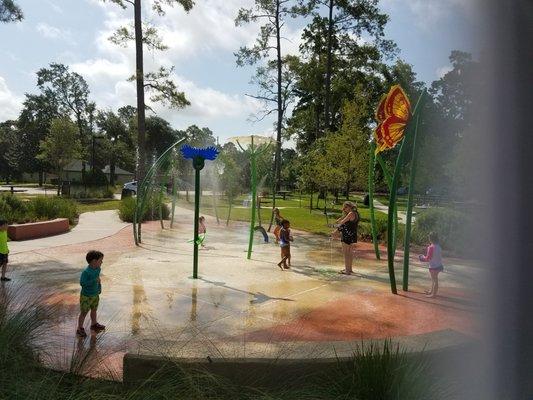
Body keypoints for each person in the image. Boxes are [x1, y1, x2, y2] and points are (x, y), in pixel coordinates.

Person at [77, 250, 106, 337]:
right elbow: (82, 283)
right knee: (84, 312)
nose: (102, 262)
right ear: (94, 261)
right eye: (100, 260)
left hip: (95, 295)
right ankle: (80, 328)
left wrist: (99, 287)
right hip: (86, 296)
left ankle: (94, 324)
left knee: (94, 310)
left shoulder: (98, 269)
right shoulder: (86, 272)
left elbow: (98, 280)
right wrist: (93, 281)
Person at [331, 201, 359, 275]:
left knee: (346, 253)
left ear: (350, 206)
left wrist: (335, 226)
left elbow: (342, 223)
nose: (344, 209)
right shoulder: (356, 213)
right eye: (344, 208)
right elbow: (346, 222)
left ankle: (347, 271)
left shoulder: (350, 213)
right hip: (352, 234)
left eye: (345, 207)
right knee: (349, 252)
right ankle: (349, 269)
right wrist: (340, 219)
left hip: (347, 235)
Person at [419, 232, 444, 298]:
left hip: (433, 267)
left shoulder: (431, 247)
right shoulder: (439, 246)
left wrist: (421, 257)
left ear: (430, 238)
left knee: (435, 280)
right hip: (439, 265)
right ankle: (431, 291)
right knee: (433, 279)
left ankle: (434, 295)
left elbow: (427, 258)